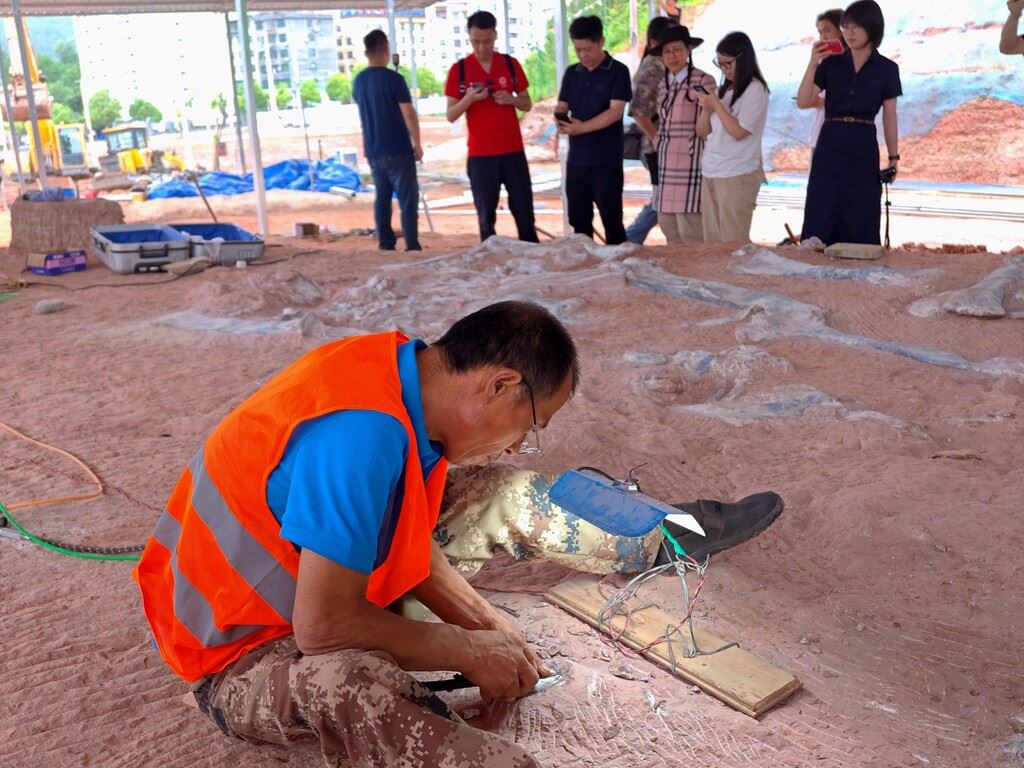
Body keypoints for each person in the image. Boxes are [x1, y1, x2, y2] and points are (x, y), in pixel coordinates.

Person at [133, 299, 784, 767]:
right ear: (501, 384)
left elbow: (411, 551)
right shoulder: (361, 434)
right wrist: (467, 651)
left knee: (500, 493)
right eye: (532, 421)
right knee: (351, 683)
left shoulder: (408, 384)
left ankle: (659, 536)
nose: (524, 441)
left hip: (322, 584)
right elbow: (324, 628)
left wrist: (490, 633)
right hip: (240, 655)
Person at [798, 0, 901, 246]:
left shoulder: (887, 69)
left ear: (872, 28)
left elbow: (889, 115)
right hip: (831, 138)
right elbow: (804, 101)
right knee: (823, 201)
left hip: (863, 140)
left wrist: (894, 157)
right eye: (846, 27)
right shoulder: (831, 64)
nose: (849, 33)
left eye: (856, 27)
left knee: (861, 204)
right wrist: (813, 62)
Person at [445, 11, 538, 243]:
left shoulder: (510, 64)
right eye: (475, 41)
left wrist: (512, 100)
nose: (481, 47)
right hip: (481, 155)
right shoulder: (460, 70)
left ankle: (533, 260)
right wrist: (469, 99)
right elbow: (450, 115)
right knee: (486, 219)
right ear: (469, 37)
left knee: (525, 214)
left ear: (495, 36)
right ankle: (491, 264)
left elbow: (527, 104)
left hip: (513, 152)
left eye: (486, 41)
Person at [557, 15, 633, 245]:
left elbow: (615, 111)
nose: (583, 55)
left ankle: (617, 270)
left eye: (587, 49)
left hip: (605, 160)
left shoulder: (618, 71)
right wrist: (560, 118)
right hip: (576, 160)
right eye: (577, 49)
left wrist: (582, 128)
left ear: (601, 41)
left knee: (612, 221)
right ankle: (585, 272)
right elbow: (562, 104)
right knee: (578, 222)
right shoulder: (572, 72)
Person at [695, 32, 770, 243]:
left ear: (743, 58)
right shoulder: (723, 90)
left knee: (733, 244)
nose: (724, 69)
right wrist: (705, 109)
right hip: (711, 170)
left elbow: (739, 132)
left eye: (728, 63)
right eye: (720, 64)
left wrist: (717, 106)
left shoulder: (756, 89)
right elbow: (702, 132)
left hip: (738, 173)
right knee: (712, 243)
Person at [646, 25, 717, 245]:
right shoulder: (662, 85)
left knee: (691, 230)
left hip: (691, 160)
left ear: (688, 50)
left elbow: (710, 123)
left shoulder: (704, 80)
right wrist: (658, 141)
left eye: (677, 50)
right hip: (666, 163)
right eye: (667, 51)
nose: (671, 56)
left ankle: (696, 276)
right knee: (668, 226)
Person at [352, 30, 423, 252]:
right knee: (407, 200)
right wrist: (417, 143)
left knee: (382, 199)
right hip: (398, 149)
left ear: (366, 51)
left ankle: (385, 243)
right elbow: (408, 113)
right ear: (385, 49)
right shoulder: (395, 80)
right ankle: (412, 244)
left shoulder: (359, 81)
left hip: (373, 150)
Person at [625, 15, 679, 245]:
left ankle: (630, 240)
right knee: (663, 200)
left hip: (669, 146)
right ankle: (629, 240)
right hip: (656, 148)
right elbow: (638, 111)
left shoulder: (668, 66)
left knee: (666, 199)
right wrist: (657, 139)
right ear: (656, 41)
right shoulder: (651, 67)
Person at [802, 10, 847, 152]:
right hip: (819, 136)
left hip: (844, 139)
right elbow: (807, 101)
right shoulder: (822, 65)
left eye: (828, 30)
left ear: (842, 31)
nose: (824, 36)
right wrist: (813, 63)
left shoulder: (854, 64)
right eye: (820, 32)